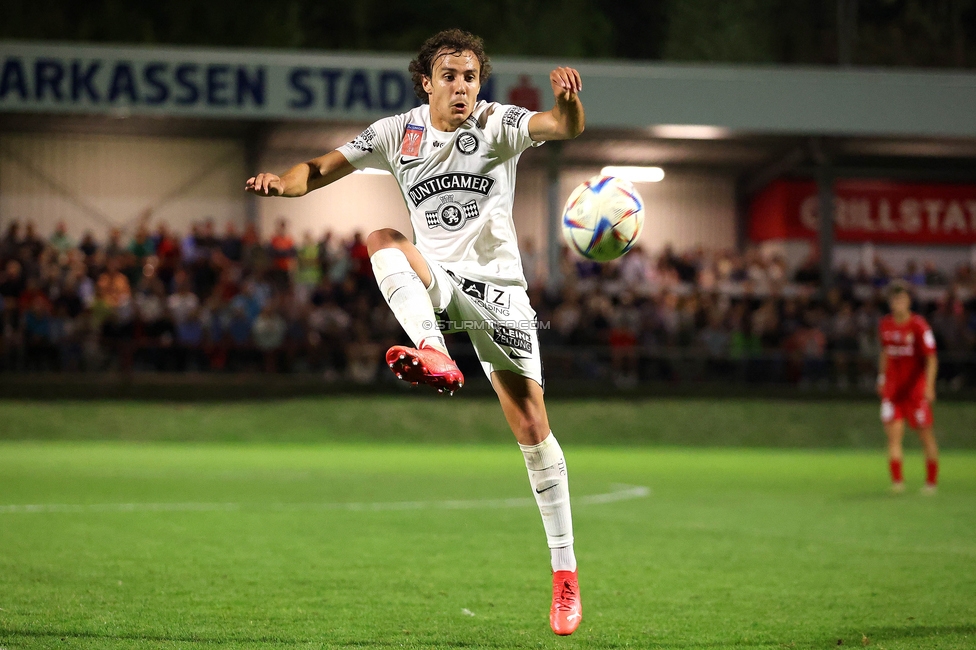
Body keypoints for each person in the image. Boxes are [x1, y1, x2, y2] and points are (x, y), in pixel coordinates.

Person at [246, 29, 585, 636]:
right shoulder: (394, 134)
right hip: (443, 283)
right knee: (382, 240)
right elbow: (320, 169)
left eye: (471, 77)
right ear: (426, 81)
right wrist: (282, 183)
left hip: (503, 296)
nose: (462, 87)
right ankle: (433, 348)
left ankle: (565, 575)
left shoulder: (498, 124)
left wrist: (569, 104)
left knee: (534, 429)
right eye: (450, 76)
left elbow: (562, 128)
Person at [877, 280, 939, 495]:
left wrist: (929, 386)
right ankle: (897, 482)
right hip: (893, 391)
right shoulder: (885, 324)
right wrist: (881, 378)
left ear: (908, 301)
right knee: (893, 436)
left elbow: (931, 358)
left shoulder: (919, 326)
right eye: (894, 299)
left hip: (915, 390)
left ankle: (931, 482)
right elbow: (885, 352)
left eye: (901, 299)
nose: (898, 303)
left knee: (925, 435)